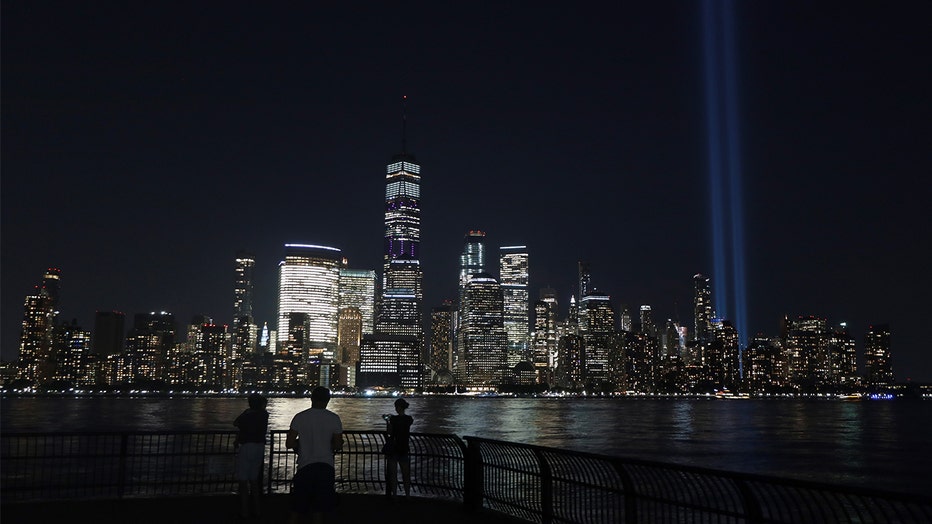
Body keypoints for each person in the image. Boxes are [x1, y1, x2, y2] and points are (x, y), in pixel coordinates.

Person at [286, 386, 343, 524]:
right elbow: (337, 445)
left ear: (311, 398)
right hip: (326, 466)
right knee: (319, 508)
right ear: (328, 400)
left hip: (305, 466)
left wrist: (300, 445)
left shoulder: (300, 417)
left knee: (297, 508)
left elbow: (289, 443)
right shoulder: (334, 418)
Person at [234, 393, 269, 519]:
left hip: (247, 446)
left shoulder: (248, 415)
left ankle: (245, 511)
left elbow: (236, 423)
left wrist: (246, 412)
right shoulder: (264, 415)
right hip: (259, 447)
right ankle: (258, 510)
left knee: (243, 482)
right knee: (254, 481)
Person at [384, 397, 413, 498]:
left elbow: (389, 432)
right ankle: (408, 495)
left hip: (394, 448)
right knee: (406, 474)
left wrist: (387, 421)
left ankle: (395, 495)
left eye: (396, 407)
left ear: (398, 407)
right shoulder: (409, 419)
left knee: (393, 475)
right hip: (404, 448)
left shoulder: (393, 419)